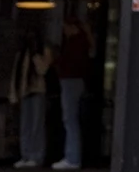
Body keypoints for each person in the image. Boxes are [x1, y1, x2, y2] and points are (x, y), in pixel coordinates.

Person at [52, 12, 92, 170]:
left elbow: (69, 64)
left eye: (65, 27)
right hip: (73, 81)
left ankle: (72, 157)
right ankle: (71, 155)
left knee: (69, 119)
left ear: (72, 27)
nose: (64, 31)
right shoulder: (81, 42)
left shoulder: (76, 43)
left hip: (71, 81)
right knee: (70, 119)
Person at [12, 24, 53, 168]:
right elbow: (16, 75)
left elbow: (43, 70)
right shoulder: (21, 53)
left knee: (36, 125)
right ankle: (25, 154)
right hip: (25, 91)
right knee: (25, 125)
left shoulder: (44, 51)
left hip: (37, 90)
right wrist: (14, 93)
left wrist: (36, 54)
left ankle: (36, 155)